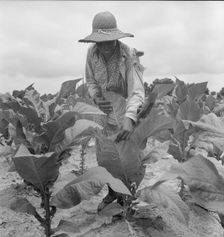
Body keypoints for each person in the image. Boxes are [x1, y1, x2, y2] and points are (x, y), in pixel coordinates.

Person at [79, 11, 145, 213]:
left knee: (128, 155)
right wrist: (97, 97)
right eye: (100, 41)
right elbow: (90, 81)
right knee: (105, 154)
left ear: (116, 38)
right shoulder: (92, 52)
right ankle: (113, 192)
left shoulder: (128, 54)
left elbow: (137, 91)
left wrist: (130, 117)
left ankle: (128, 196)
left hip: (126, 110)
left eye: (109, 41)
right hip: (103, 111)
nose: (105, 46)